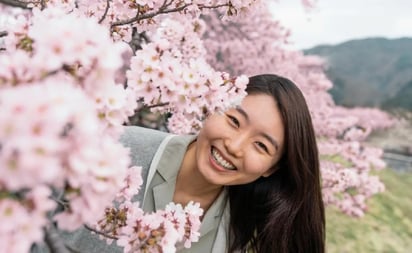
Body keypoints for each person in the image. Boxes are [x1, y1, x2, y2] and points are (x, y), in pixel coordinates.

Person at [35, 74, 325, 253]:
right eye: (234, 121)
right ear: (213, 107)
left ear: (271, 169)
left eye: (260, 146)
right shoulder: (119, 148)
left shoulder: (238, 228)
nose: (234, 146)